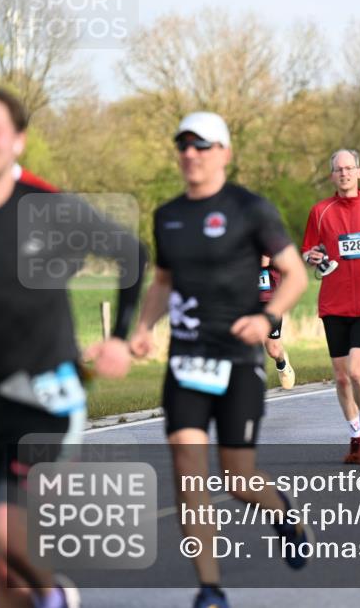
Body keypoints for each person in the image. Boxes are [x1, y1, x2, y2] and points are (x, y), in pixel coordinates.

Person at [129, 112, 311, 608]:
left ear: (224, 153)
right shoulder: (168, 214)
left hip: (237, 360)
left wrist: (266, 316)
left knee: (238, 479)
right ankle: (210, 588)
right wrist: (144, 328)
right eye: (183, 145)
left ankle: (283, 514)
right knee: (188, 472)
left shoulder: (249, 209)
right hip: (186, 361)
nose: (191, 154)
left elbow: (295, 275)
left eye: (202, 146)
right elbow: (163, 281)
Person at [0, 86, 146, 608]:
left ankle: (56, 596)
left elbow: (132, 253)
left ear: (18, 142)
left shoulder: (46, 208)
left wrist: (119, 338)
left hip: (43, 398)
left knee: (5, 532)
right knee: (1, 575)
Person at [301, 149, 360, 464]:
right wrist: (311, 257)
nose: (344, 173)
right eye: (338, 169)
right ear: (332, 175)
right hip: (334, 304)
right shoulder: (320, 211)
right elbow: (307, 251)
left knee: (357, 371)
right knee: (341, 377)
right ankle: (355, 434)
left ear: (359, 172)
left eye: (349, 168)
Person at [259, 254, 296, 389]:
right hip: (244, 296)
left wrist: (271, 259)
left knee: (273, 350)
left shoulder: (269, 234)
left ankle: (282, 364)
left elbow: (289, 261)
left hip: (269, 298)